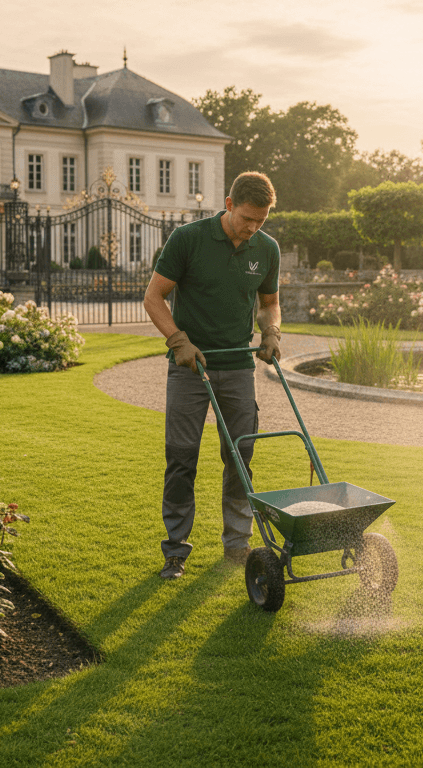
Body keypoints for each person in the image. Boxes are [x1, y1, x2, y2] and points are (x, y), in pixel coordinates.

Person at [143, 171, 282, 580]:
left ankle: (237, 545)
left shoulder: (266, 249)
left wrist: (271, 330)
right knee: (182, 458)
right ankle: (175, 551)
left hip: (238, 366)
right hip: (190, 368)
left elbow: (269, 302)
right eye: (246, 218)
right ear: (228, 203)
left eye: (261, 220)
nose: (252, 228)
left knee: (241, 456)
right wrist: (177, 341)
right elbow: (153, 297)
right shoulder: (188, 239)